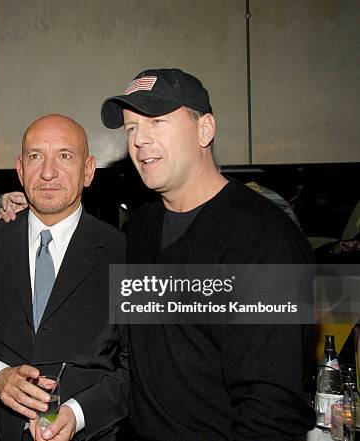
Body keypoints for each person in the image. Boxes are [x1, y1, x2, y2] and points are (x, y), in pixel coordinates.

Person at [99, 68, 315, 440]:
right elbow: (131, 355)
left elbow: (272, 409)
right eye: (132, 128)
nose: (139, 140)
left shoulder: (264, 239)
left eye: (157, 122)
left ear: (205, 129)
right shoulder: (141, 229)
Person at [0, 114, 128, 441]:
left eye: (65, 156)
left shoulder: (125, 253)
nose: (47, 172)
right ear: (20, 168)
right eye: (35, 157)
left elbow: (140, 368)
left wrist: (79, 414)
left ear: (88, 171)